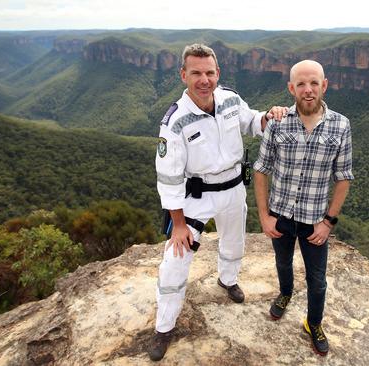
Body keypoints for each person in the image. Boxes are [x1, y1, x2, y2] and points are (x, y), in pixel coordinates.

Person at [150, 43, 286, 362]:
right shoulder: (175, 122)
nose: (204, 80)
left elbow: (252, 122)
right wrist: (179, 224)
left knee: (234, 242)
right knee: (175, 261)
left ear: (218, 73)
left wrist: (271, 116)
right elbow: (168, 176)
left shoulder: (229, 99)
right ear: (184, 75)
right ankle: (164, 326)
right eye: (196, 73)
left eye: (209, 72)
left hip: (234, 187)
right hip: (196, 197)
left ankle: (228, 280)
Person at [253, 60, 354, 356]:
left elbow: (344, 176)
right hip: (281, 215)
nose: (308, 90)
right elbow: (261, 169)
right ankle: (285, 294)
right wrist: (264, 215)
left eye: (313, 83)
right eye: (301, 84)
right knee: (283, 264)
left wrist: (328, 222)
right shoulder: (278, 122)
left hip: (314, 220)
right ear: (291, 88)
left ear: (324, 85)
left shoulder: (341, 125)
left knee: (317, 280)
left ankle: (314, 323)